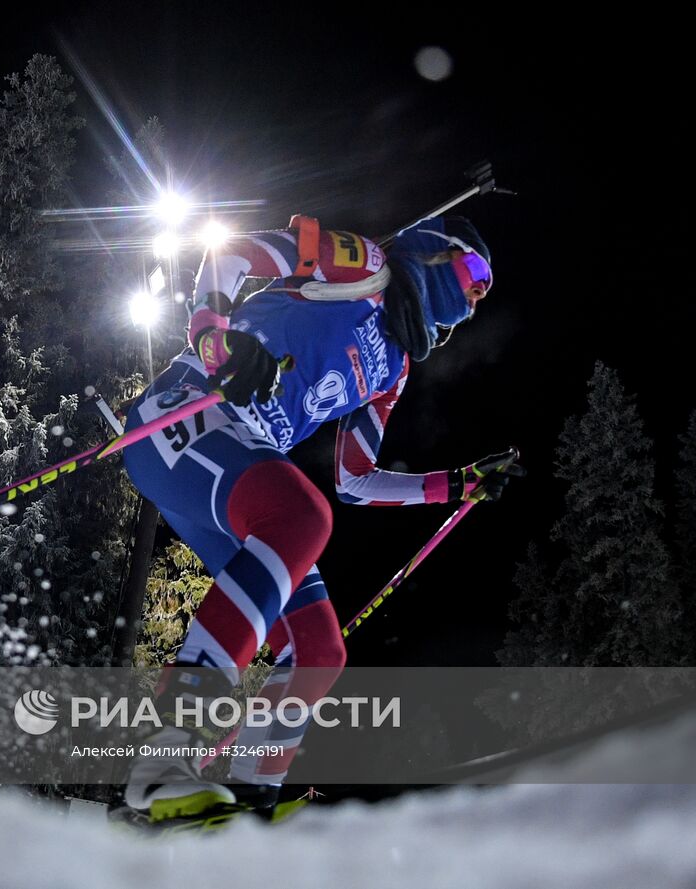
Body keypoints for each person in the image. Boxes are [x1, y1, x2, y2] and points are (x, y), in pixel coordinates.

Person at [119, 214, 523, 822]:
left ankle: (250, 794)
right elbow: (233, 253)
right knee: (303, 518)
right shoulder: (364, 266)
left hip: (228, 471)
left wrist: (456, 485)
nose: (478, 294)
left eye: (487, 290)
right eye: (475, 271)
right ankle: (166, 752)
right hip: (184, 416)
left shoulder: (395, 370)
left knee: (318, 650)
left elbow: (356, 480)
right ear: (437, 253)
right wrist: (215, 337)